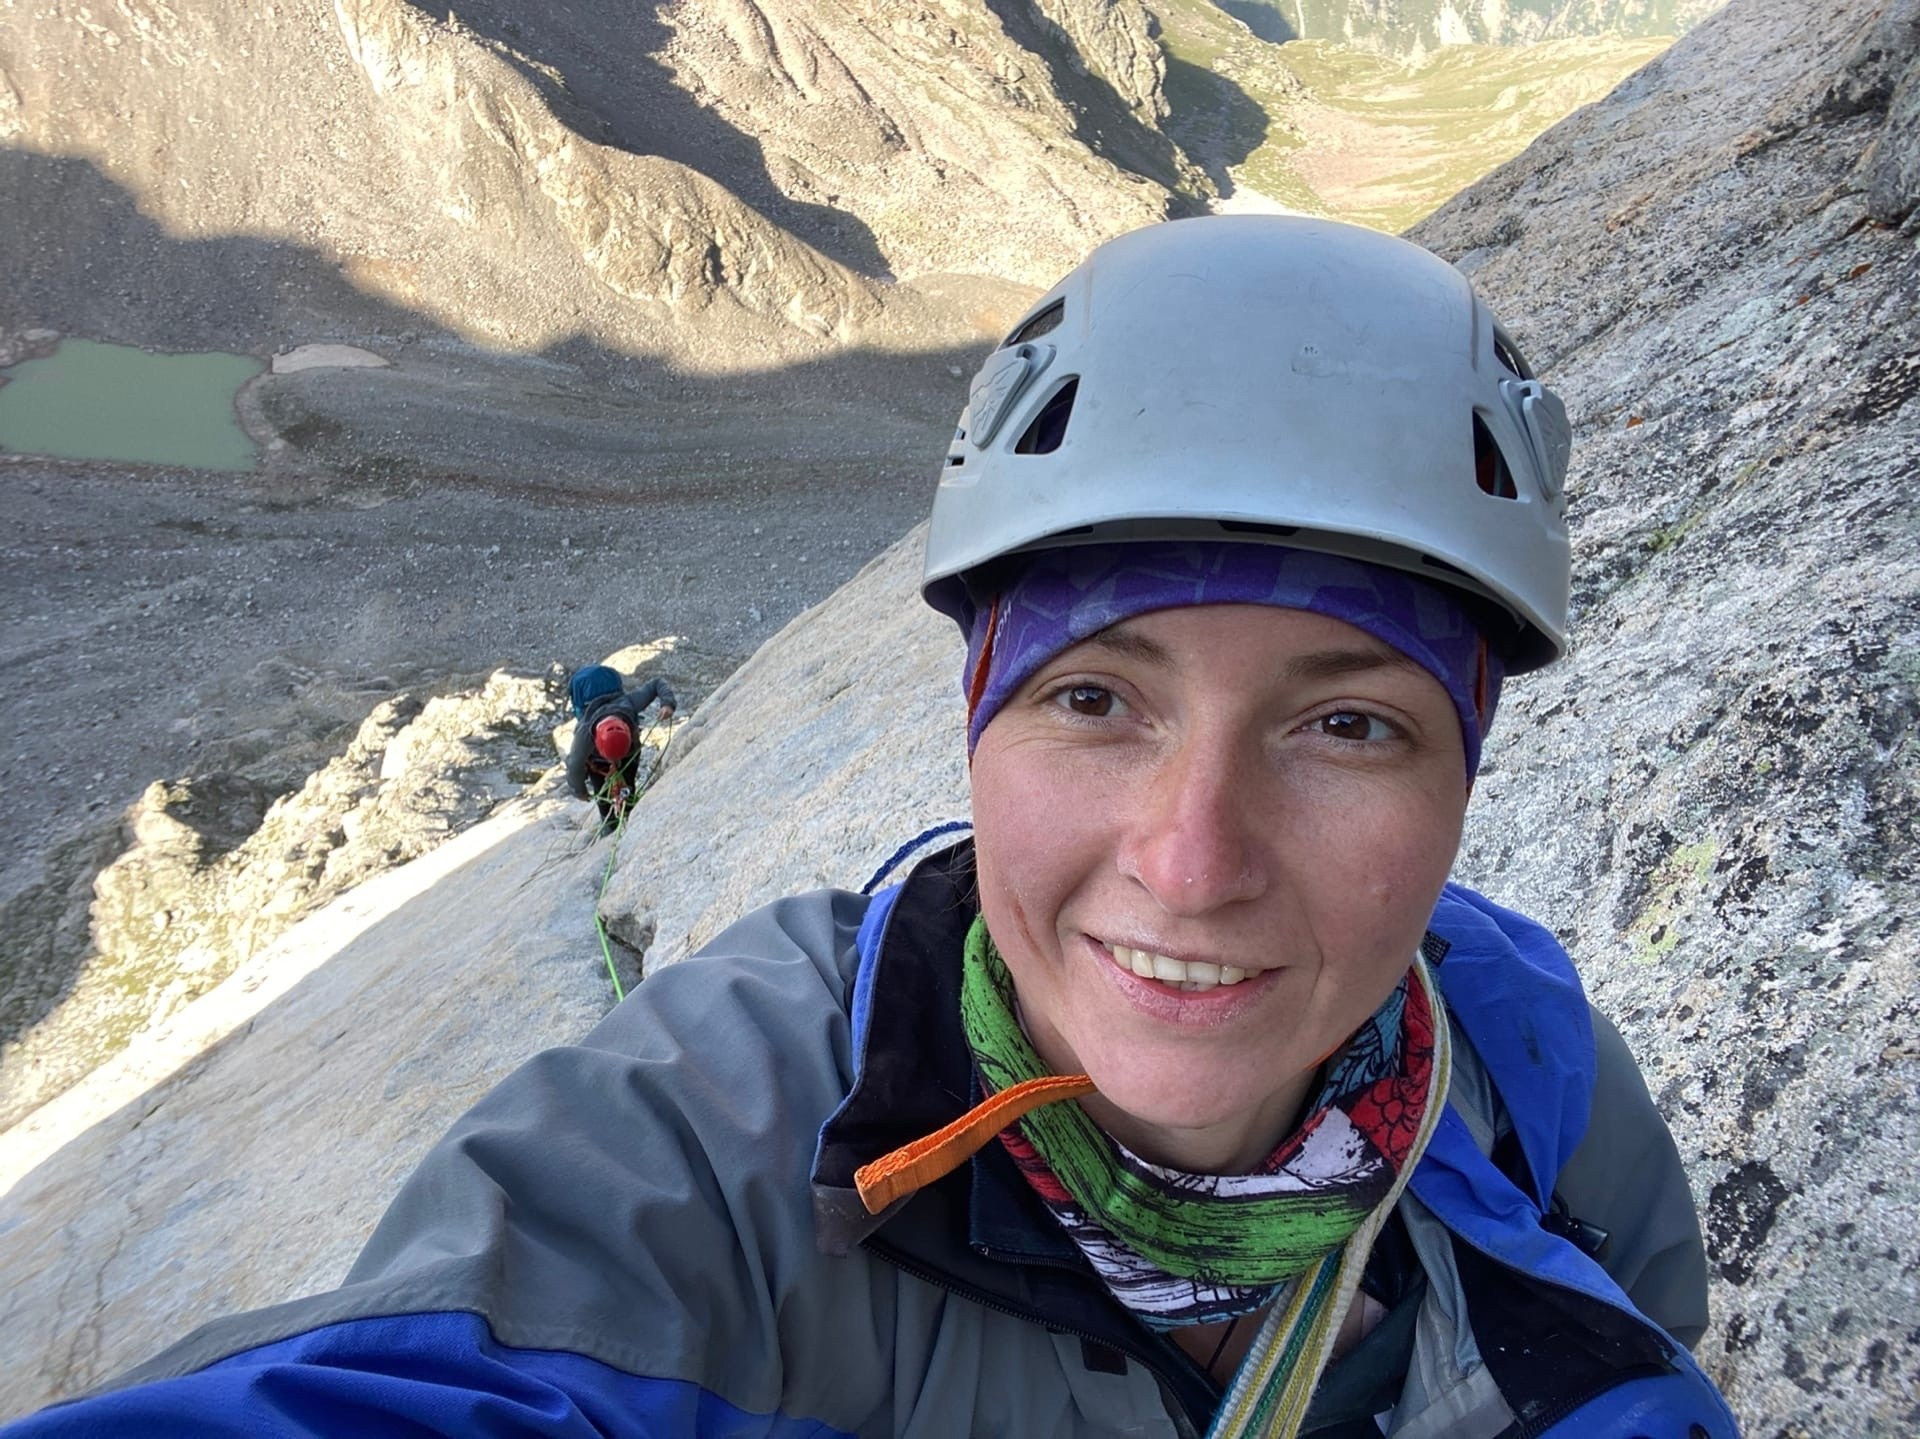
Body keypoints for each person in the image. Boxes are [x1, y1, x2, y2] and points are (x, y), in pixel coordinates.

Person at [2, 217, 1740, 1437]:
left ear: (1461, 780)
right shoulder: (717, 1157)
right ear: (976, 720)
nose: (1193, 856)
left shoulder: (1533, 1070)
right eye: (1094, 697)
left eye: (1350, 723)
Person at [563, 664, 677, 831]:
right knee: (604, 796)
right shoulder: (585, 732)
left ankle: (626, 814)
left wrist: (667, 703)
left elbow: (657, 683)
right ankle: (611, 823)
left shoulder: (629, 704)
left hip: (627, 754)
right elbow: (575, 763)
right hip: (599, 763)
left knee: (626, 785)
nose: (614, 761)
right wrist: (578, 790)